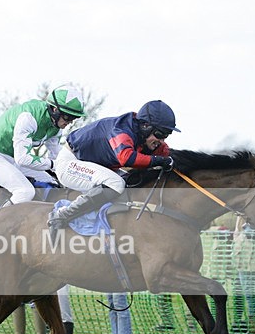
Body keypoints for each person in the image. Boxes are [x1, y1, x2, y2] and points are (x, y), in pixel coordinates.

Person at [48, 100, 178, 236]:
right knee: (116, 184)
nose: (162, 141)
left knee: (131, 182)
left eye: (166, 136)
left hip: (93, 166)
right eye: (159, 135)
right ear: (146, 126)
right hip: (69, 164)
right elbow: (126, 158)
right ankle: (62, 215)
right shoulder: (121, 130)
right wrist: (159, 161)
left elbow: (167, 155)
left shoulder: (145, 136)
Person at [0, 84, 86, 205]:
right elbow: (23, 159)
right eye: (68, 117)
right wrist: (52, 164)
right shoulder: (28, 118)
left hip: (14, 159)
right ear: (55, 110)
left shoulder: (56, 127)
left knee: (52, 183)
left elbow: (58, 156)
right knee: (25, 191)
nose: (69, 122)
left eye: (74, 118)